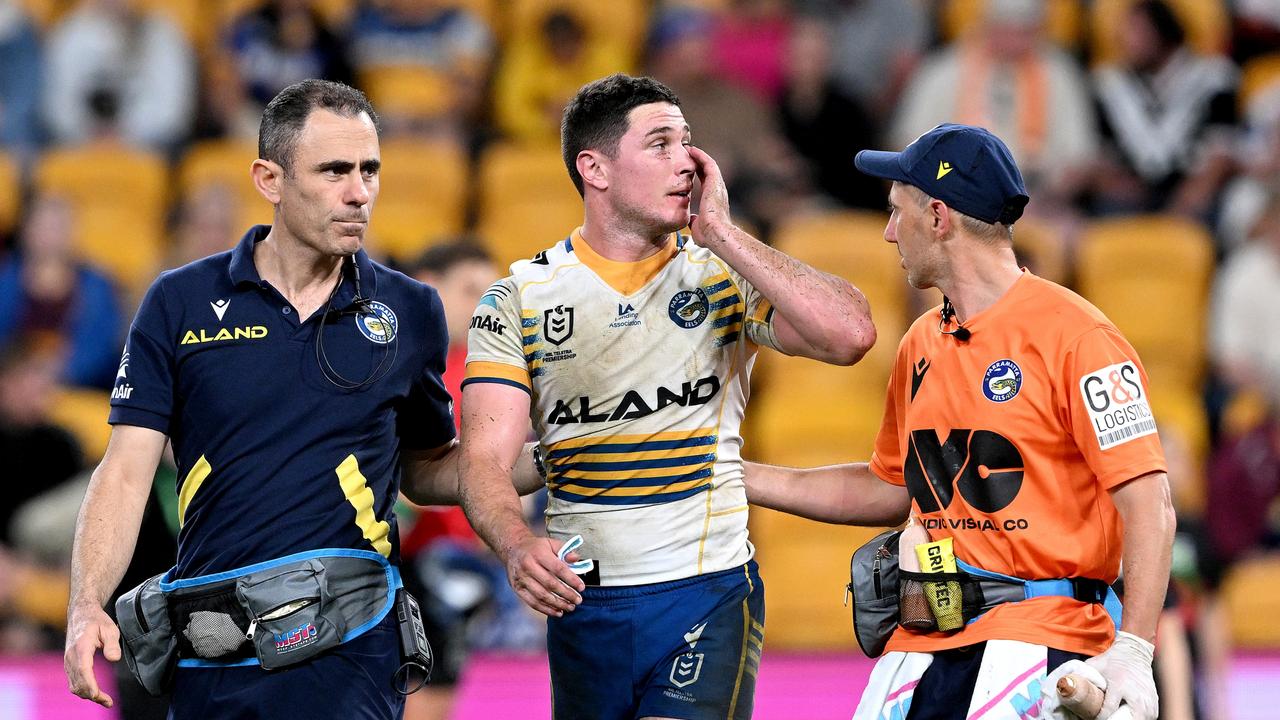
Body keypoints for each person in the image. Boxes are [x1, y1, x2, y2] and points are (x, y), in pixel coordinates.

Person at [62, 79, 541, 719]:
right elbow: (124, 472)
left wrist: (555, 452)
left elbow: (426, 469)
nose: (359, 192)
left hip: (354, 644)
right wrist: (85, 603)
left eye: (369, 170)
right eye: (334, 171)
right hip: (212, 645)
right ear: (271, 179)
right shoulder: (177, 303)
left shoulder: (412, 310)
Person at [458, 73, 876, 720]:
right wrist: (516, 544)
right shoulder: (518, 298)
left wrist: (726, 236)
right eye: (659, 143)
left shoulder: (722, 275)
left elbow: (850, 336)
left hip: (705, 594)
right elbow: (484, 457)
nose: (685, 160)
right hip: (583, 607)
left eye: (687, 141)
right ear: (594, 168)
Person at [743, 123, 1176, 720]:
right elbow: (893, 487)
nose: (889, 233)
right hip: (920, 643)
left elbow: (1150, 503)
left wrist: (1134, 649)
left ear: (939, 217)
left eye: (898, 213)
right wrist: (737, 476)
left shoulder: (1080, 338)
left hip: (1039, 645)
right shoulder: (921, 341)